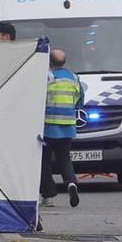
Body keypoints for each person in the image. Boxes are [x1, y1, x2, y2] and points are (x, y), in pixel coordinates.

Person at [43, 46, 84, 208]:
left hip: (48, 127)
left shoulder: (47, 78)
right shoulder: (74, 78)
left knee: (45, 161)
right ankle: (71, 183)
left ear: (50, 62)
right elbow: (80, 102)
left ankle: (48, 195)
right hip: (68, 127)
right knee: (64, 159)